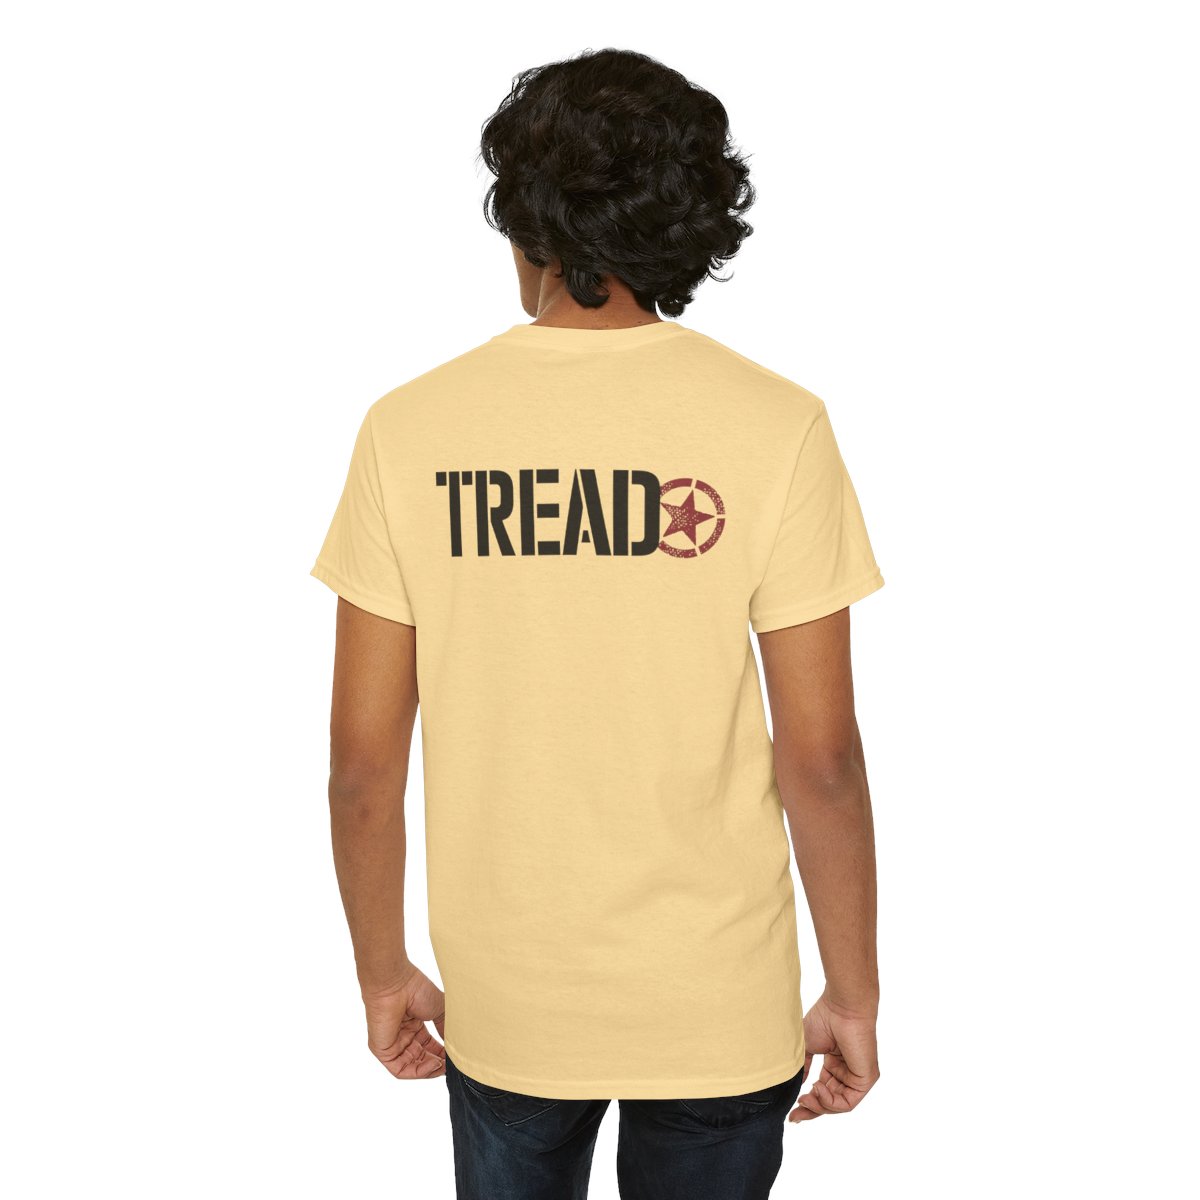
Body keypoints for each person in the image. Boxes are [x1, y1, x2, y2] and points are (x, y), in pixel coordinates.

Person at [311, 47, 884, 1200]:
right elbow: (820, 758)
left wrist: (382, 973)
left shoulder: (410, 430)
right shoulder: (776, 424)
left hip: (513, 1004)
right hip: (720, 1002)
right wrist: (853, 991)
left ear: (523, 220)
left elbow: (364, 763)